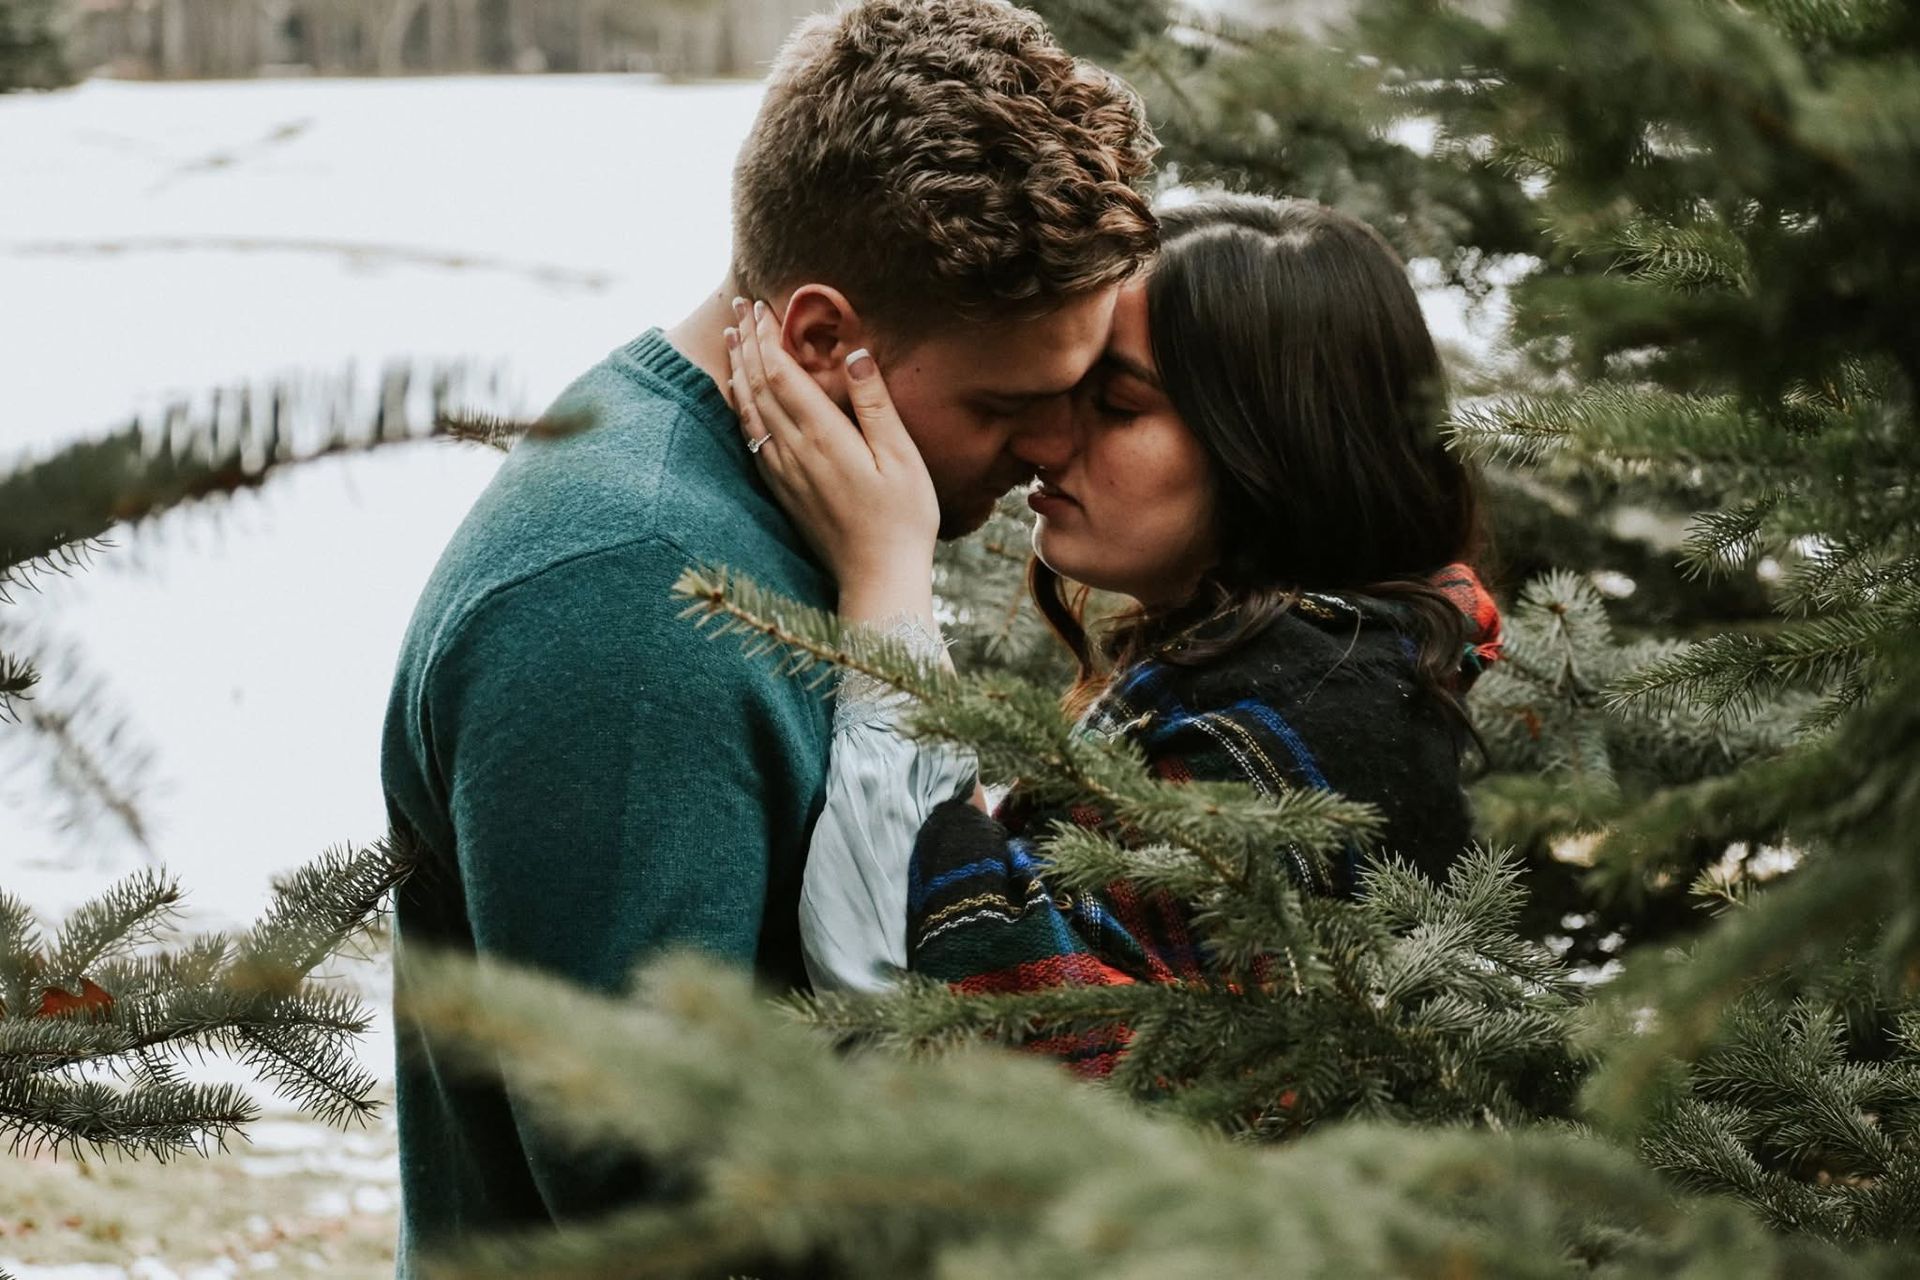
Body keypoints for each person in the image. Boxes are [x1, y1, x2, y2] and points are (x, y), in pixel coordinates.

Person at [378, 1, 1158, 1266]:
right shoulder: (634, 600)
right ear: (820, 338)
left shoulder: (804, 520)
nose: (1056, 450)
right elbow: (654, 1185)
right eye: (1013, 404)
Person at [721, 191, 1505, 1077]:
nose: (1050, 440)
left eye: (1117, 405)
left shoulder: (1310, 731)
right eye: (1064, 390)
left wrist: (886, 568)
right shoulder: (1264, 673)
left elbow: (940, 1032)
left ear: (1271, 451)